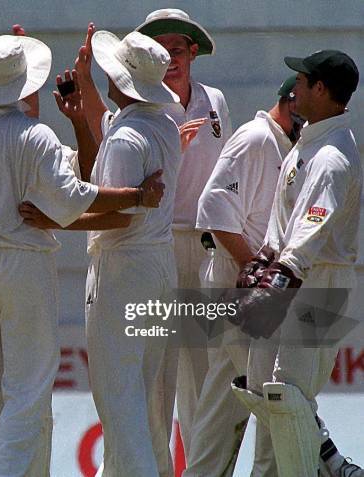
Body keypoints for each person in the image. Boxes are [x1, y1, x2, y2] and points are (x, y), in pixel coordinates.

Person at [0, 34, 165, 476]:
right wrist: (137, 194)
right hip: (21, 263)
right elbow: (71, 197)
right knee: (27, 386)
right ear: (22, 85)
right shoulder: (34, 135)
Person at [21, 30, 182, 476]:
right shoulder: (161, 124)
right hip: (156, 266)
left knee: (119, 398)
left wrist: (55, 219)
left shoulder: (130, 135)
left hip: (123, 268)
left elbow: (117, 215)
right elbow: (103, 181)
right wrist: (78, 117)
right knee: (144, 397)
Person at [231, 50, 361, 477]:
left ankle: (323, 469)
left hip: (320, 283)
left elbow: (312, 226)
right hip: (296, 276)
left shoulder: (332, 157)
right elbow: (283, 221)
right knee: (262, 388)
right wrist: (266, 256)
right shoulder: (308, 146)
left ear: (321, 90)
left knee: (287, 395)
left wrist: (280, 273)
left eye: (302, 81)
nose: (295, 88)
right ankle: (331, 465)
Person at [184, 76, 299, 477]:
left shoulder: (285, 146)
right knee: (268, 399)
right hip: (241, 292)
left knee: (227, 400)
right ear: (291, 104)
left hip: (253, 293)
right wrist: (258, 277)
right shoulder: (256, 139)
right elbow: (215, 212)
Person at [135, 9, 234, 456]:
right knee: (157, 371)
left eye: (176, 49)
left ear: (193, 52)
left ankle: (200, 466)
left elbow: (226, 176)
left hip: (204, 245)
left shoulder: (214, 99)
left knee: (204, 368)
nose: (169, 59)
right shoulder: (143, 105)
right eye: (160, 51)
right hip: (157, 247)